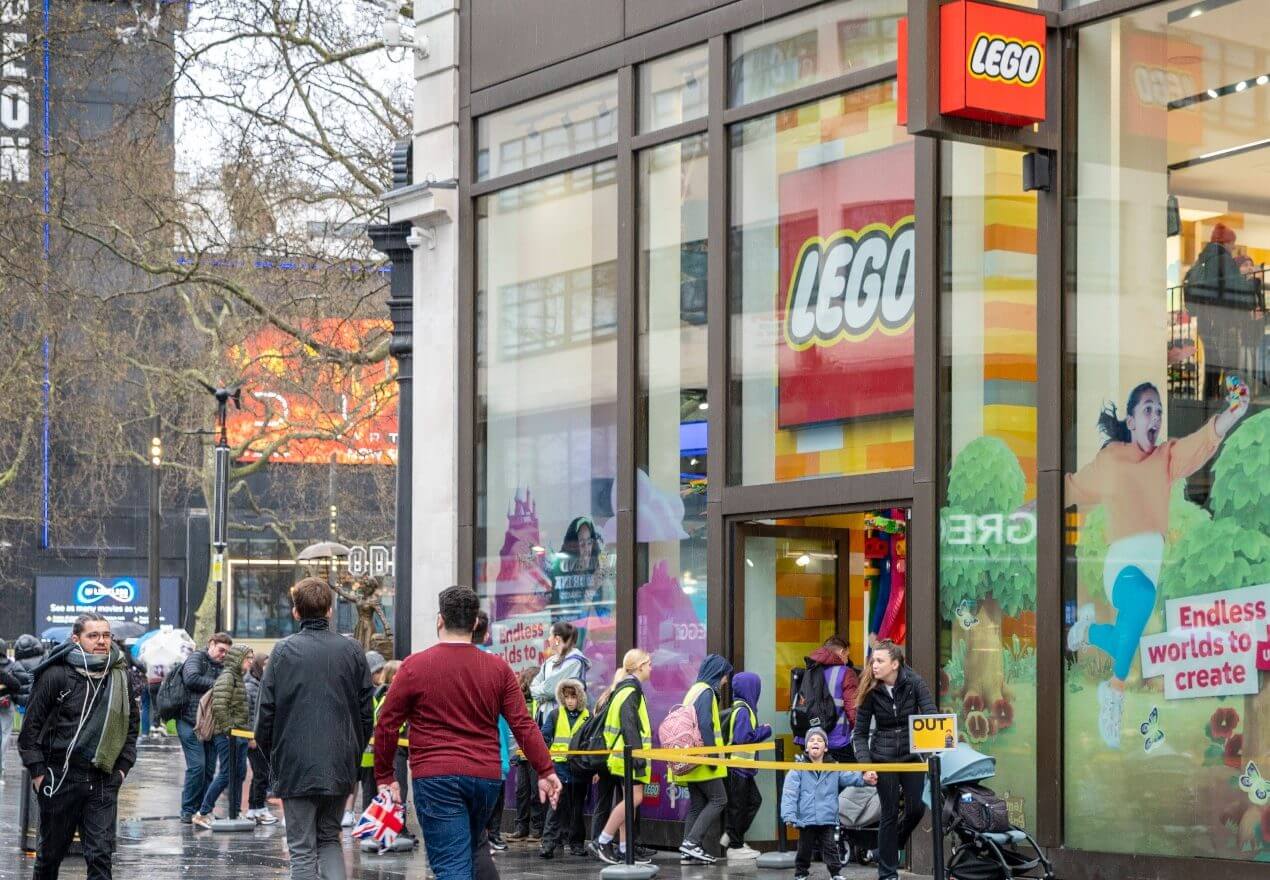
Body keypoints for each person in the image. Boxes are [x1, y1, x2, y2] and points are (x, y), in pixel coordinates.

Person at [1065, 381, 1247, 747]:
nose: (1156, 417)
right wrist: (1033, 505)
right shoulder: (1112, 459)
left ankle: (1088, 633)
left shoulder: (1166, 457)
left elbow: (1201, 442)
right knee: (1143, 597)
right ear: (1130, 420)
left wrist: (1234, 413)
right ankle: (1114, 692)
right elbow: (1070, 487)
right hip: (1121, 566)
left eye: (1159, 411)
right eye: (1148, 409)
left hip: (1149, 566)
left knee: (1125, 637)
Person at [372, 586, 560, 880]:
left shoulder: (414, 667)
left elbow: (386, 724)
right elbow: (523, 724)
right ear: (475, 625)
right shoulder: (499, 669)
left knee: (451, 864)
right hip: (485, 778)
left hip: (436, 777)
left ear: (439, 621)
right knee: (474, 848)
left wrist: (384, 776)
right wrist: (546, 770)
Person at [256, 577, 374, 880]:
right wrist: (352, 752)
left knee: (301, 848)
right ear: (330, 611)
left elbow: (265, 714)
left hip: (295, 762)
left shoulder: (282, 652)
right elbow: (365, 713)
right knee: (329, 839)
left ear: (296, 612)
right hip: (339, 760)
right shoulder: (352, 651)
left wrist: (274, 758)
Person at [18, 613, 140, 880]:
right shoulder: (55, 674)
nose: (101, 641)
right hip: (60, 779)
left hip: (102, 780)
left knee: (100, 858)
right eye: (93, 635)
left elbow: (132, 729)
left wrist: (120, 771)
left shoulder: (120, 675)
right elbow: (29, 732)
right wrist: (40, 775)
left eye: (106, 635)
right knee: (49, 858)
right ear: (76, 639)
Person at [852, 640, 936, 880]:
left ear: (895, 664)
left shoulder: (914, 682)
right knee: (888, 812)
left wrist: (932, 750)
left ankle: (884, 850)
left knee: (916, 809)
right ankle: (887, 873)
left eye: (880, 661)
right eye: (873, 660)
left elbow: (929, 714)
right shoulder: (870, 689)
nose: (874, 665)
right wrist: (866, 767)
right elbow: (859, 734)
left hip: (911, 757)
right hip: (883, 758)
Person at [781, 727, 877, 880]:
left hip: (827, 817)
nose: (815, 742)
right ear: (806, 746)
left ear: (825, 747)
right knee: (804, 850)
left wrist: (864, 779)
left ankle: (835, 873)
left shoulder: (833, 767)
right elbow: (790, 793)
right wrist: (789, 815)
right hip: (806, 819)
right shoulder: (797, 770)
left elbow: (849, 777)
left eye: (819, 740)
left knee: (831, 848)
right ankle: (801, 873)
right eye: (811, 740)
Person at [587, 649, 654, 866]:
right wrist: (638, 759)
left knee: (628, 802)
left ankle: (626, 850)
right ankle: (603, 840)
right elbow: (629, 726)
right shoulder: (631, 691)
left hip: (621, 757)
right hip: (629, 757)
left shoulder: (623, 689)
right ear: (640, 666)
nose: (651, 667)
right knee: (634, 799)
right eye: (649, 663)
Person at [673, 653, 733, 865]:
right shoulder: (707, 692)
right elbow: (706, 724)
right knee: (719, 799)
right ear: (718, 674)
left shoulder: (694, 690)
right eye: (725, 676)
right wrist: (712, 755)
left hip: (691, 758)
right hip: (703, 759)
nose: (726, 681)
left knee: (697, 805)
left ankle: (687, 851)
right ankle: (691, 842)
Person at [193, 644, 254, 829]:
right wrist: (228, 730)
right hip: (228, 735)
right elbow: (220, 705)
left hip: (239, 734)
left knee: (240, 773)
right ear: (237, 658)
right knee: (227, 773)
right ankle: (202, 812)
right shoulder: (228, 677)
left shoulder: (237, 678)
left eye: (251, 658)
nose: (250, 662)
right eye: (247, 658)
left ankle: (235, 811)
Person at [471, 610, 516, 852]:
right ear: (486, 632)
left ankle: (487, 835)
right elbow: (516, 716)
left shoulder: (440, 661)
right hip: (493, 746)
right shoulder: (497, 665)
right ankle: (490, 835)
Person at [360, 659, 415, 852]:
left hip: (392, 748)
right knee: (397, 790)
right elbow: (387, 722)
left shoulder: (387, 692)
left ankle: (393, 829)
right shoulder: (389, 694)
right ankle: (393, 831)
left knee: (394, 790)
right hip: (394, 749)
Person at [177, 632, 231, 824]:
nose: (223, 654)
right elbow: (191, 678)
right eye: (221, 650)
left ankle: (202, 811)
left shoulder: (224, 666)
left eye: (227, 652)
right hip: (189, 721)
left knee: (208, 769)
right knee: (197, 767)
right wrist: (219, 685)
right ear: (211, 644)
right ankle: (187, 810)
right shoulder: (197, 658)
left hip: (209, 724)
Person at [722, 670, 772, 860]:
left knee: (751, 802)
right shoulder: (744, 711)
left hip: (742, 768)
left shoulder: (741, 707)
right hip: (738, 768)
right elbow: (743, 739)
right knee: (740, 805)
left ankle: (733, 835)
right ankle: (735, 845)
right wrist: (764, 731)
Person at [538, 678, 589, 859]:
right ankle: (548, 844)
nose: (570, 701)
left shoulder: (587, 717)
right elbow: (544, 737)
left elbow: (592, 745)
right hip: (558, 768)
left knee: (577, 808)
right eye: (566, 697)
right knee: (555, 807)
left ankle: (576, 844)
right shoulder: (555, 715)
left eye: (573, 697)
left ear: (580, 698)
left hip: (579, 769)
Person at [798, 635, 859, 761]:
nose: (847, 659)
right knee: (847, 779)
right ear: (842, 652)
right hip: (839, 741)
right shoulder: (846, 672)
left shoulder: (809, 670)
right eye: (847, 655)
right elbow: (853, 710)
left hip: (812, 741)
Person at [509, 666, 545, 843]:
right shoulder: (521, 700)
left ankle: (536, 828)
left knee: (534, 792)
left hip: (532, 751)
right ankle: (521, 827)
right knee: (521, 791)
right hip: (521, 751)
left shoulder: (539, 702)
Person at [530, 621, 592, 722]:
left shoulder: (574, 662)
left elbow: (549, 690)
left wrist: (541, 690)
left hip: (563, 719)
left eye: (550, 635)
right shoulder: (549, 661)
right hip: (544, 715)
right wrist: (541, 691)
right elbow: (534, 686)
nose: (548, 639)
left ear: (557, 639)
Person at [243, 653, 278, 825]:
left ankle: (255, 808)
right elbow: (249, 714)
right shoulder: (251, 686)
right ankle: (257, 808)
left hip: (264, 737)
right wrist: (251, 737)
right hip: (255, 739)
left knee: (261, 774)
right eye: (264, 664)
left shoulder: (263, 684)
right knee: (261, 774)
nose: (267, 667)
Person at [357, 650, 388, 817]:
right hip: (369, 752)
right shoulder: (370, 693)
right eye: (378, 671)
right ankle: (370, 824)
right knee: (369, 790)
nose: (382, 674)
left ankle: (375, 822)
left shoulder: (378, 691)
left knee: (375, 790)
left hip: (374, 750)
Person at [0, 639, 25, 781]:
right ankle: (1, 767)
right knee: (5, 734)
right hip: (5, 703)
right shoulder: (10, 664)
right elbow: (17, 685)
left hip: (5, 703)